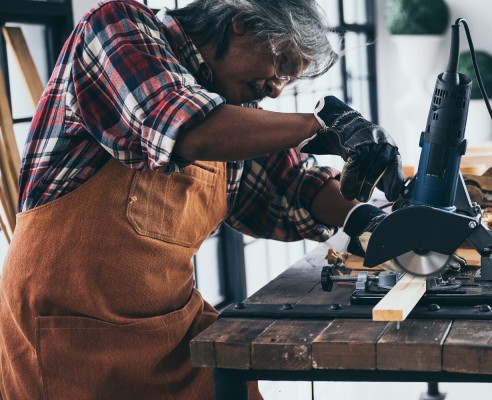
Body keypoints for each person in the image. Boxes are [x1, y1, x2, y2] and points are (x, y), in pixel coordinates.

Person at [0, 0, 402, 398]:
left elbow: (293, 183)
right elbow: (183, 126)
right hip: (70, 342)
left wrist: (374, 222)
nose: (276, 89)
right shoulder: (115, 28)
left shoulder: (231, 109)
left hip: (169, 333)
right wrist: (322, 125)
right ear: (241, 22)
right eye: (279, 66)